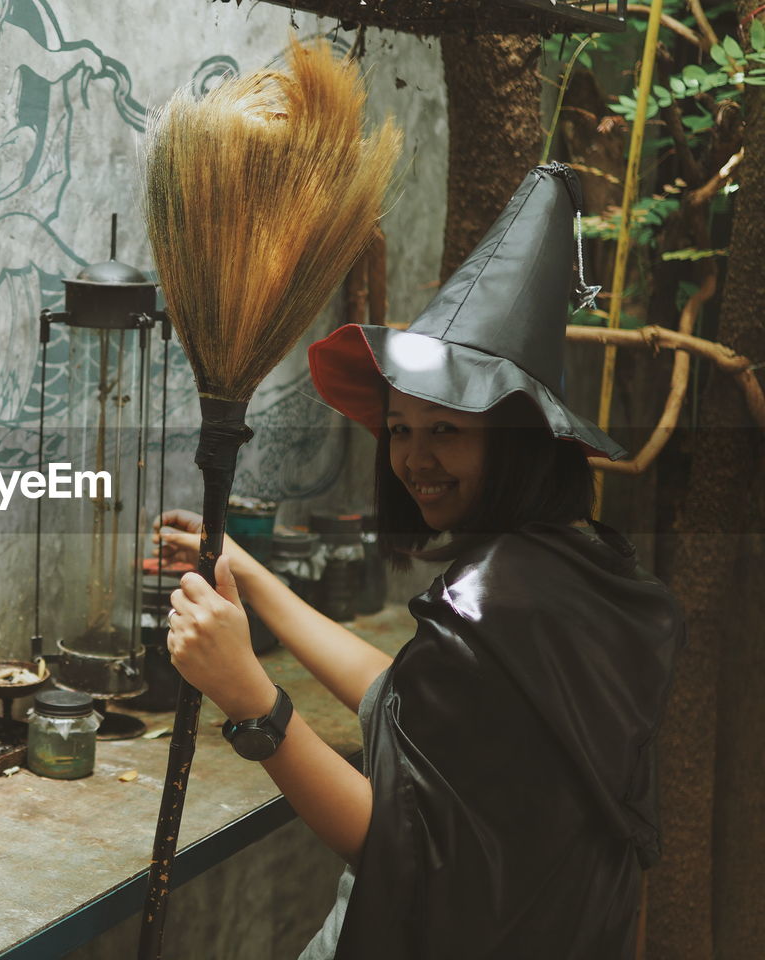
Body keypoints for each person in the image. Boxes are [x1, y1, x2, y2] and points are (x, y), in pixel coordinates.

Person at [153, 164, 683, 959]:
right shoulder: (572, 559)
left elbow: (395, 851)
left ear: (517, 440)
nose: (414, 459)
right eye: (402, 428)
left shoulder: (498, 597)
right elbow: (411, 701)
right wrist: (259, 584)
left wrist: (250, 700)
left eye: (448, 431)